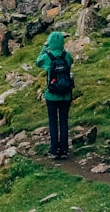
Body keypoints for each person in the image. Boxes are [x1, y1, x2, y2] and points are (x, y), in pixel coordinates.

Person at [36, 31, 74, 159]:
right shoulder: (66, 56)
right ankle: (64, 151)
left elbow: (38, 62)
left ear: (50, 42)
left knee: (53, 122)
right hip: (66, 95)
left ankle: (53, 150)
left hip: (51, 95)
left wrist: (45, 47)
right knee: (64, 122)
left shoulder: (48, 57)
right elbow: (71, 62)